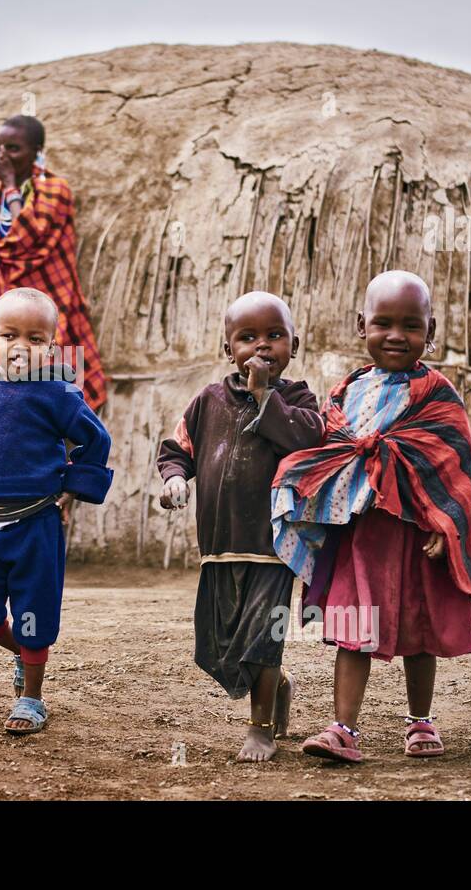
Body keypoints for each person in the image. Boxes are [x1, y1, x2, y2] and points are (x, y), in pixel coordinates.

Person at [272, 270, 471, 763]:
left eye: (411, 324)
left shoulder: (437, 395)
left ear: (431, 329)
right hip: (363, 535)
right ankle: (343, 729)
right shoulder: (347, 390)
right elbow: (335, 448)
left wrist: (447, 525)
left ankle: (420, 721)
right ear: (362, 326)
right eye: (383, 323)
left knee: (419, 630)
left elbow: (452, 465)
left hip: (417, 535)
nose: (396, 335)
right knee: (352, 627)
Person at [156, 291, 324, 761]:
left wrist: (264, 395)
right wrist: (175, 481)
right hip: (220, 543)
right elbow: (177, 449)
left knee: (263, 636)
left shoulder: (298, 400)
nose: (262, 347)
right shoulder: (207, 402)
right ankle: (278, 685)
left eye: (274, 336)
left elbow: (307, 437)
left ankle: (261, 726)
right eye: (247, 338)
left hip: (274, 547)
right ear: (227, 348)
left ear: (295, 343)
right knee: (221, 644)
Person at [0, 287, 112, 734]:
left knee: (35, 612)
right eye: (9, 335)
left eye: (35, 339)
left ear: (52, 346)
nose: (21, 347)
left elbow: (96, 441)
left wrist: (73, 487)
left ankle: (31, 698)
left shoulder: (58, 393)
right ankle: (18, 650)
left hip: (35, 522)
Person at [0, 115, 107, 412]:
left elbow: (27, 236)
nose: (3, 155)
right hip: (3, 305)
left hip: (47, 304)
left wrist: (9, 185)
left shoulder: (56, 190)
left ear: (37, 151)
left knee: (55, 393)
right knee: (1, 393)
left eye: (13, 148)